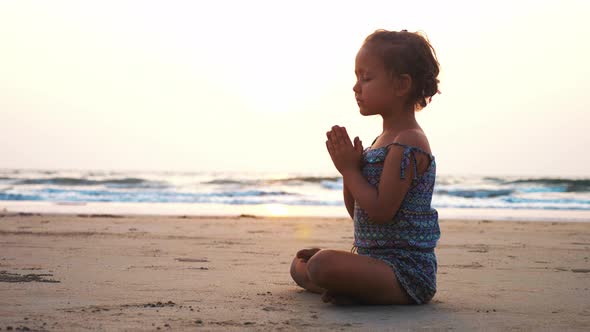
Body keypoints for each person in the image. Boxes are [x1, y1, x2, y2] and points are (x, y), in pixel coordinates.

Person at [290, 29, 441, 305]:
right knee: (299, 265)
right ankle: (350, 287)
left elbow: (381, 211)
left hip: (405, 273)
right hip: (373, 262)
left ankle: (351, 287)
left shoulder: (408, 142)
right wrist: (353, 172)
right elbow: (359, 212)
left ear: (401, 85)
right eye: (356, 78)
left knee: (322, 264)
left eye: (366, 78)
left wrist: (349, 170)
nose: (356, 87)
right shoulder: (379, 143)